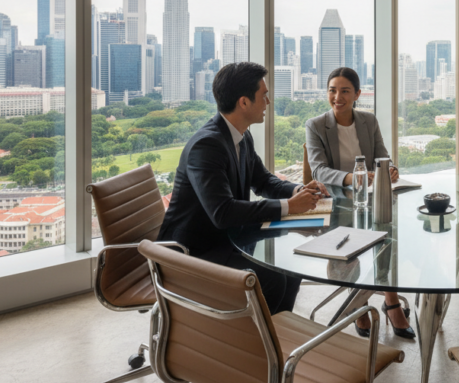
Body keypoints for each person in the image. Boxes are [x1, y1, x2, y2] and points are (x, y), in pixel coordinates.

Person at [158, 62, 329, 314]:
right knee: (271, 278)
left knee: (290, 266)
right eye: (264, 96)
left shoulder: (241, 135)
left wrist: (298, 191)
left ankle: (275, 339)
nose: (268, 103)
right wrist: (288, 206)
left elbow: (262, 181)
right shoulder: (206, 146)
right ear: (244, 102)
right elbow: (223, 213)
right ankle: (252, 345)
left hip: (228, 237)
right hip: (195, 252)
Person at [305, 67, 415, 340]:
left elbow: (382, 157)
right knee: (347, 250)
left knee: (387, 238)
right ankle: (360, 305)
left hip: (371, 198)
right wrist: (351, 177)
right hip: (337, 203)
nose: (337, 96)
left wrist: (389, 170)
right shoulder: (316, 125)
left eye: (344, 91)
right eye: (332, 90)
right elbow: (319, 170)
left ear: (357, 94)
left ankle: (391, 302)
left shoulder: (368, 120)